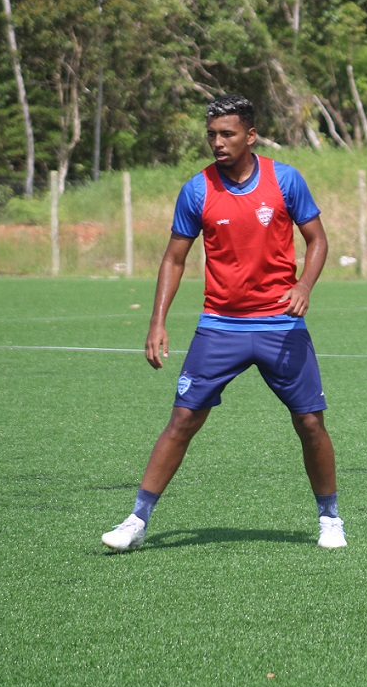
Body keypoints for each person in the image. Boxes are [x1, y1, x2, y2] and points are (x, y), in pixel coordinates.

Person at [101, 95, 346, 552]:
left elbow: (317, 241)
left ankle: (330, 518)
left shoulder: (285, 180)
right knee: (182, 420)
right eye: (211, 134)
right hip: (220, 326)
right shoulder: (197, 189)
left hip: (280, 326)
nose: (218, 142)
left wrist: (304, 287)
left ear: (250, 136)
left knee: (310, 423)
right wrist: (157, 322)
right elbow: (175, 258)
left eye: (227, 134)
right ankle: (136, 520)